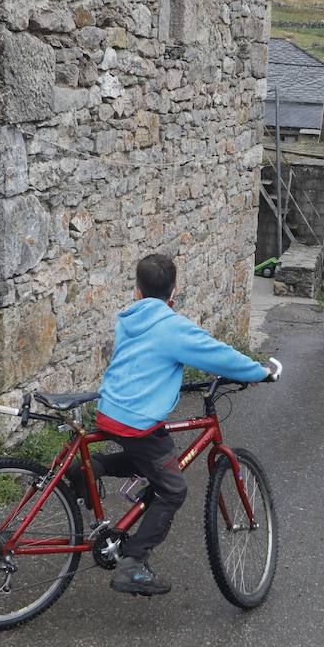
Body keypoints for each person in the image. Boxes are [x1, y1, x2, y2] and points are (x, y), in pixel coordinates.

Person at [92, 253, 270, 596]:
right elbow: (217, 354)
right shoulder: (171, 326)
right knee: (173, 488)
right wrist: (259, 371)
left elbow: (144, 363)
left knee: (156, 456)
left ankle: (93, 466)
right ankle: (133, 564)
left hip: (110, 410)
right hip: (138, 420)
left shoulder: (128, 319)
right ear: (173, 293)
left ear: (137, 291)